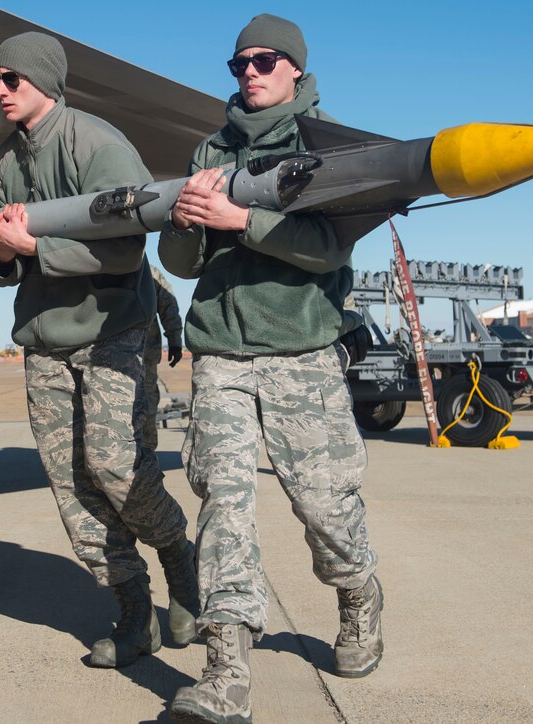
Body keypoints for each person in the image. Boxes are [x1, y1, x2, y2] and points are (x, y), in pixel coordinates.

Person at [158, 15, 383, 722]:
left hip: (302, 352)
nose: (249, 73)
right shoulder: (209, 149)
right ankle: (225, 669)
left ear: (294, 68)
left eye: (263, 61)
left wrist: (239, 220)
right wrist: (188, 226)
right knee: (223, 503)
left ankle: (357, 594)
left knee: (324, 507)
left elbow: (327, 249)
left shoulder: (328, 145)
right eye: (238, 65)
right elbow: (181, 265)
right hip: (221, 350)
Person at [0, 32, 198, 668]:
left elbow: (127, 245)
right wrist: (0, 254)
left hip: (114, 333)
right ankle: (133, 611)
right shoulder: (1, 164)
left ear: (43, 78)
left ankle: (181, 569)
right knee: (71, 484)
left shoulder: (96, 144)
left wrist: (34, 249)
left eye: (10, 78)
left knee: (118, 468)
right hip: (45, 344)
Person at [142, 265, 185, 453]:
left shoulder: (149, 272)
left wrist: (175, 341)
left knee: (147, 407)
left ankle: (146, 458)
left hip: (144, 356)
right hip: (105, 357)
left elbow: (168, 305)